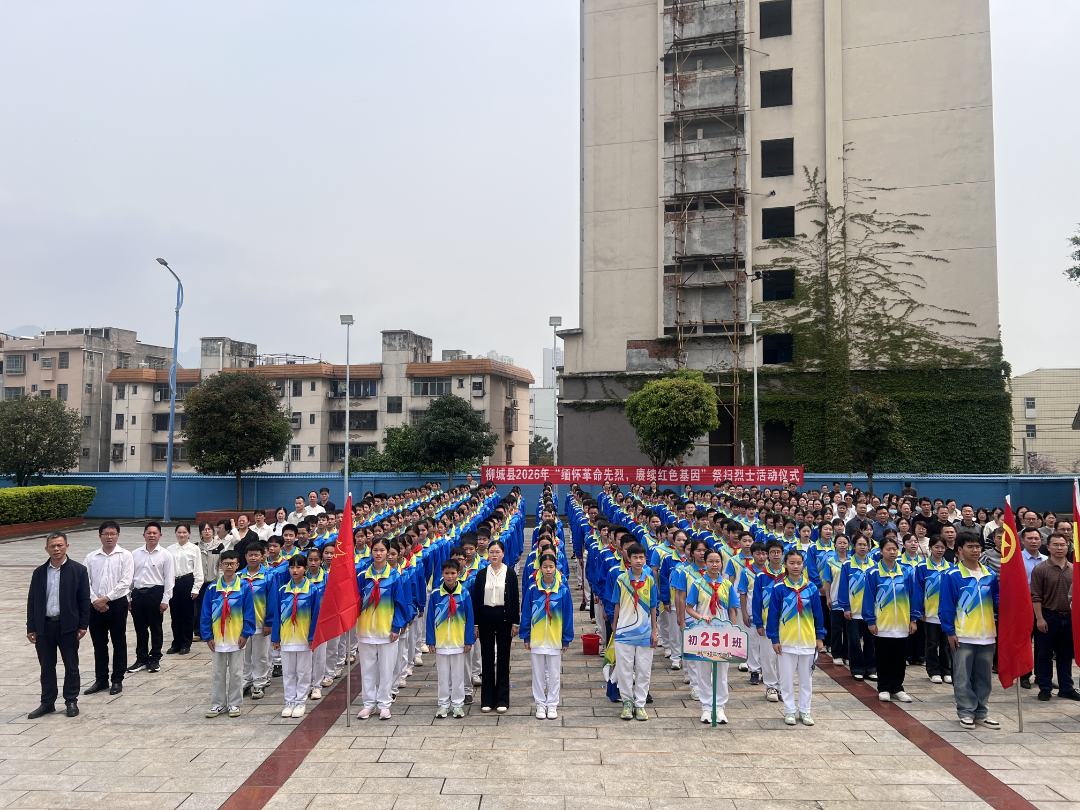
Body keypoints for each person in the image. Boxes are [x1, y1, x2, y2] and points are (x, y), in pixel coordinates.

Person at [26, 532, 91, 719]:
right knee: (46, 666)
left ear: (66, 546)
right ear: (46, 549)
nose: (56, 549)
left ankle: (71, 701)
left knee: (71, 665)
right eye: (52, 546)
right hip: (44, 626)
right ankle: (47, 702)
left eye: (60, 545)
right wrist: (31, 627)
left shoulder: (78, 570)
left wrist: (83, 625)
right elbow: (32, 601)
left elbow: (84, 600)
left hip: (68, 626)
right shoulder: (39, 572)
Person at [938, 533, 1000, 729]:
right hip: (963, 635)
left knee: (984, 677)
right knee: (963, 677)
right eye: (970, 547)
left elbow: (996, 601)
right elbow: (946, 606)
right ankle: (966, 711)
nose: (975, 550)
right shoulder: (952, 575)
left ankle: (981, 712)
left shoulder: (989, 574)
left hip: (987, 635)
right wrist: (950, 631)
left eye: (978, 546)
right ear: (960, 550)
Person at [767, 549, 825, 726]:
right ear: (785, 564)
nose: (795, 566)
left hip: (807, 641)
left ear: (803, 565)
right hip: (786, 642)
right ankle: (789, 710)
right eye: (791, 563)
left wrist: (819, 636)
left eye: (799, 563)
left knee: (806, 680)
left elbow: (818, 614)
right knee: (786, 679)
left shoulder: (811, 588)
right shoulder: (779, 588)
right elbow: (773, 615)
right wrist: (775, 639)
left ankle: (805, 711)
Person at [356, 537, 409, 721]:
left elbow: (400, 603)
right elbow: (354, 601)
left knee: (387, 670)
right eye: (375, 550)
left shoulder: (395, 576)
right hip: (365, 631)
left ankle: (384, 704)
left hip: (387, 631)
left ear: (388, 552)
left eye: (382, 550)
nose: (378, 554)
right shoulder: (362, 576)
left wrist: (396, 627)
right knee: (367, 670)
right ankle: (368, 704)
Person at [684, 548, 740, 724]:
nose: (714, 564)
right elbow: (689, 607)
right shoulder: (698, 584)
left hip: (722, 635)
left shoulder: (727, 585)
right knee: (704, 671)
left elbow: (732, 609)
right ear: (705, 562)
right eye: (711, 561)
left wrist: (733, 629)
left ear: (721, 563)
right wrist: (701, 617)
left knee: (721, 673)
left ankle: (720, 706)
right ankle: (707, 707)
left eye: (717, 561)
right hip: (703, 634)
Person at [863, 536, 922, 703]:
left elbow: (914, 596)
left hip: (902, 623)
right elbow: (868, 598)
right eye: (888, 549)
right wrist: (871, 620)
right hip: (883, 623)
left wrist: (913, 619)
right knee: (883, 657)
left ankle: (897, 688)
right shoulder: (873, 572)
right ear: (881, 551)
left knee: (900, 658)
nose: (892, 552)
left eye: (894, 549)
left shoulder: (906, 572)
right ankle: (883, 687)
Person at [200, 550, 256, 718]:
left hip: (237, 637)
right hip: (218, 638)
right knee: (217, 673)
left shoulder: (244, 587)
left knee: (237, 673)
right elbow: (206, 614)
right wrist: (208, 636)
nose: (229, 567)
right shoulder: (212, 588)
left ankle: (234, 703)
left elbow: (249, 612)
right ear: (220, 566)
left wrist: (245, 633)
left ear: (238, 565)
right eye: (226, 564)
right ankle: (217, 703)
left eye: (232, 564)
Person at [82, 520, 133, 696]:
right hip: (95, 605)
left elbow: (126, 582)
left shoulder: (126, 556)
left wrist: (106, 598)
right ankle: (101, 679)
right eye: (106, 534)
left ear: (118, 535)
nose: (109, 537)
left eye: (113, 534)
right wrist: (95, 600)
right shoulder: (91, 557)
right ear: (100, 536)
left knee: (118, 642)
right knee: (99, 644)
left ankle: (117, 679)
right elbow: (85, 581)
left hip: (117, 604)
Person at [521, 552, 573, 719]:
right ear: (540, 568)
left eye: (551, 566)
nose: (548, 570)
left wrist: (566, 638)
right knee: (537, 674)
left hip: (555, 638)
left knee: (554, 673)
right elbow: (526, 613)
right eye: (545, 567)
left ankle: (552, 704)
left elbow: (568, 615)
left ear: (556, 568)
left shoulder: (562, 590)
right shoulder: (533, 589)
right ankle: (540, 704)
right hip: (536, 638)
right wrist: (526, 636)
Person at [270, 554, 323, 719]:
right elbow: (277, 615)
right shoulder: (283, 591)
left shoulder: (312, 590)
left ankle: (301, 701)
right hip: (286, 639)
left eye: (298, 567)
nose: (294, 570)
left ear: (305, 569)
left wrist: (312, 636)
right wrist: (276, 637)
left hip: (303, 638)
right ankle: (289, 701)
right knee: (288, 672)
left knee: (304, 671)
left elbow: (316, 615)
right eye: (292, 567)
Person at [472, 539, 520, 713]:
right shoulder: (481, 574)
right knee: (486, 658)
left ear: (503, 554)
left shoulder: (510, 573)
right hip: (485, 619)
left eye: (497, 552)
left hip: (504, 619)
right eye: (491, 552)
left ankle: (502, 700)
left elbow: (515, 598)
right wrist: (475, 624)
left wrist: (516, 622)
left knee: (503, 659)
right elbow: (476, 599)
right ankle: (487, 700)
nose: (494, 555)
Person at [612, 542, 658, 721]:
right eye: (635, 557)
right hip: (624, 632)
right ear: (628, 559)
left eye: (641, 557)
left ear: (645, 559)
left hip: (645, 633)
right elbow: (617, 604)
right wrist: (615, 627)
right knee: (624, 670)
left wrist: (654, 630)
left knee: (644, 670)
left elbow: (653, 607)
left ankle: (640, 704)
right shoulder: (621, 579)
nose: (639, 560)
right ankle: (627, 702)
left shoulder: (650, 580)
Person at [1030, 533, 1078, 702]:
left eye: (1062, 545)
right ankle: (1045, 687)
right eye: (1055, 545)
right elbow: (1036, 596)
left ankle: (1066, 688)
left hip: (1069, 618)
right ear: (1048, 547)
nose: (1059, 548)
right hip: (1048, 616)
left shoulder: (1075, 569)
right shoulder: (1040, 569)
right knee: (1045, 655)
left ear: (1068, 546)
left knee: (1066, 655)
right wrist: (1039, 618)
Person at [426, 559, 475, 719]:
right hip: (441, 641)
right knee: (443, 675)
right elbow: (430, 618)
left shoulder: (464, 593)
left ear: (458, 574)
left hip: (458, 641)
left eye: (453, 573)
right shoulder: (436, 594)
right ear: (442, 574)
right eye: (446, 573)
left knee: (458, 675)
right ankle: (443, 704)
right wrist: (431, 640)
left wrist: (468, 640)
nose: (449, 576)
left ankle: (458, 704)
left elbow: (469, 618)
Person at [128, 522, 175, 674]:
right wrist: (128, 598)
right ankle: (141, 659)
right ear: (144, 535)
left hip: (155, 594)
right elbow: (129, 578)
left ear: (160, 535)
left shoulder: (165, 555)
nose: (152, 535)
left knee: (156, 628)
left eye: (155, 533)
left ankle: (155, 659)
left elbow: (169, 579)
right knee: (140, 629)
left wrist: (165, 600)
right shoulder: (135, 554)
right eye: (149, 533)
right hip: (138, 594)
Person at [838, 535, 877, 682]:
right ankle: (857, 668)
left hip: (871, 611)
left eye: (865, 544)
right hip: (853, 611)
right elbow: (843, 587)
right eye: (859, 544)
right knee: (854, 641)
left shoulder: (874, 565)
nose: (862, 547)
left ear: (868, 546)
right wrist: (846, 607)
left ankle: (871, 668)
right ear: (853, 547)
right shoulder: (847, 565)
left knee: (871, 641)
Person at [918, 535, 954, 685]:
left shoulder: (950, 567)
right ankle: (933, 671)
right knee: (931, 643)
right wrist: (920, 610)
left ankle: (947, 670)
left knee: (947, 643)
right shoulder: (922, 567)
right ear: (930, 548)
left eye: (942, 547)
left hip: (946, 613)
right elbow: (919, 590)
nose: (940, 550)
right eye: (937, 547)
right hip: (930, 612)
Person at [240, 542, 272, 700]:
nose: (253, 558)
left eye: (256, 555)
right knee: (244, 654)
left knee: (261, 655)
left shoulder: (269, 576)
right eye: (250, 555)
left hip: (260, 622)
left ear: (262, 556)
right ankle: (245, 680)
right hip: (242, 624)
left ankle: (260, 681)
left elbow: (272, 600)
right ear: (245, 556)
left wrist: (269, 622)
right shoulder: (238, 576)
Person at [166, 523, 202, 655]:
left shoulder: (194, 549)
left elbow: (198, 569)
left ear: (189, 534)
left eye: (184, 532)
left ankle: (186, 643)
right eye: (179, 532)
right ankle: (176, 642)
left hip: (188, 581)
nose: (182, 535)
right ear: (175, 533)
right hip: (174, 582)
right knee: (175, 614)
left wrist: (196, 588)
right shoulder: (170, 549)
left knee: (187, 615)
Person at [196, 521, 227, 636]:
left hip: (214, 582)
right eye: (204, 529)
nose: (207, 531)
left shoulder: (219, 546)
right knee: (198, 608)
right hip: (200, 583)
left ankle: (214, 631)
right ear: (200, 532)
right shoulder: (196, 547)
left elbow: (222, 565)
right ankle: (199, 632)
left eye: (209, 529)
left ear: (213, 531)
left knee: (215, 607)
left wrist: (220, 581)